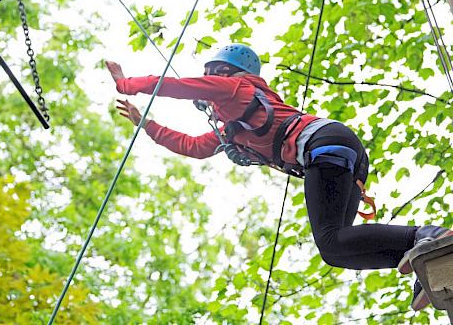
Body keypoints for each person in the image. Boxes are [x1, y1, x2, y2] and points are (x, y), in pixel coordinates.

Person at [105, 43, 452, 311]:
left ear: (225, 73)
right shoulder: (234, 129)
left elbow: (177, 87)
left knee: (331, 240)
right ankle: (424, 256)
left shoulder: (236, 89)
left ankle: (426, 236)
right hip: (339, 151)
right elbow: (193, 146)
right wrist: (144, 123)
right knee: (336, 249)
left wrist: (126, 83)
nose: (210, 92)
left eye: (214, 76)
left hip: (323, 145)